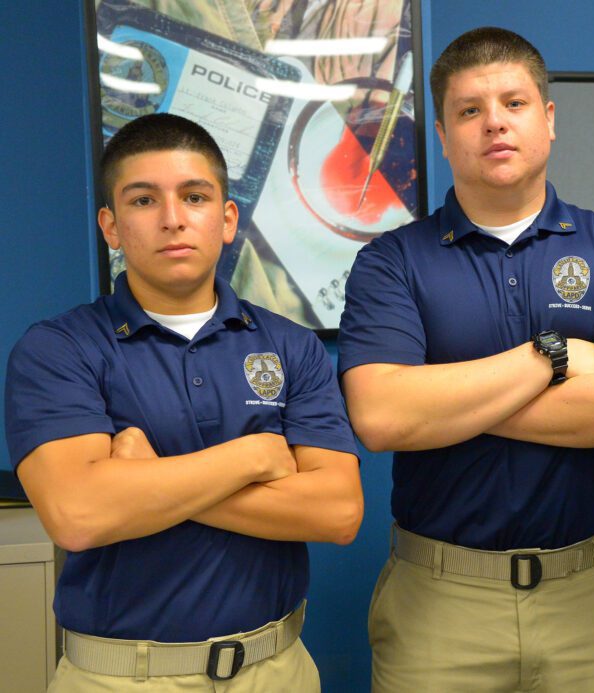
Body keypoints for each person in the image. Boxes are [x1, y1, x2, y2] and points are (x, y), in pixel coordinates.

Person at [337, 26, 594, 692]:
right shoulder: (391, 263)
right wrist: (549, 358)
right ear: (443, 135)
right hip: (440, 600)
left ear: (548, 119)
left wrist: (445, 406)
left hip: (593, 596)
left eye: (514, 104)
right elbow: (380, 417)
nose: (494, 122)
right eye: (470, 110)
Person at [5, 113, 364, 691]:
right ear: (111, 226)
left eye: (194, 197)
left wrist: (144, 482)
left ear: (227, 220)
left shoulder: (291, 346)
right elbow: (78, 515)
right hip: (122, 677)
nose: (172, 218)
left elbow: (337, 513)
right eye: (144, 200)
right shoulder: (59, 349)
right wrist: (252, 457)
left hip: (275, 668)